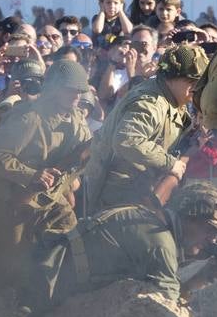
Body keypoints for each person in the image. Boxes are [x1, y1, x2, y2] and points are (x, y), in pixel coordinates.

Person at [24, 180, 217, 313]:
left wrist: (201, 279)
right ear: (190, 219)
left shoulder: (147, 219)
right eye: (210, 231)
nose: (212, 241)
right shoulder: (161, 243)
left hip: (42, 268)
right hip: (43, 289)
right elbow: (165, 311)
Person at [0, 58, 93, 271]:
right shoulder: (29, 118)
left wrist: (70, 183)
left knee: (69, 243)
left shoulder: (77, 119)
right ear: (54, 89)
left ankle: (56, 297)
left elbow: (82, 156)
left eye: (80, 91)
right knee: (11, 263)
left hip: (52, 197)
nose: (77, 96)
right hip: (14, 199)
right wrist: (32, 175)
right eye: (71, 90)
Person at [85, 45, 207, 213]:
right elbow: (127, 140)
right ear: (171, 77)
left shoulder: (170, 96)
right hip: (117, 194)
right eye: (192, 80)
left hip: (136, 189)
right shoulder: (151, 103)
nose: (197, 87)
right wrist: (171, 163)